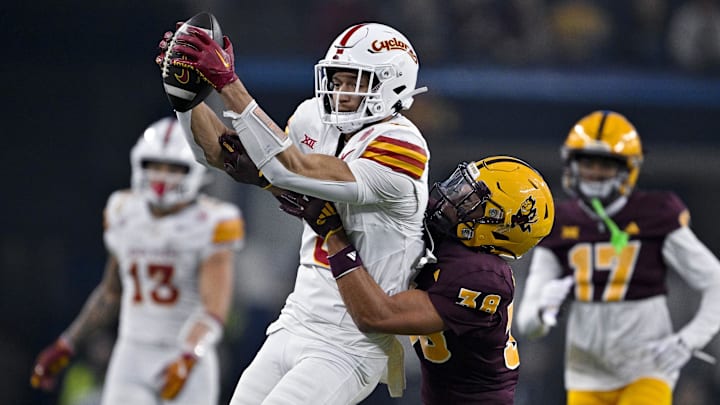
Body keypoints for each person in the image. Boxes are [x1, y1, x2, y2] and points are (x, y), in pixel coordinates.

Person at [159, 21, 430, 404]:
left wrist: (228, 84)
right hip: (296, 318)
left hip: (349, 342)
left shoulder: (403, 146)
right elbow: (223, 156)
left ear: (393, 85)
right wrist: (185, 99)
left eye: (355, 81)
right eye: (336, 80)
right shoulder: (314, 118)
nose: (339, 91)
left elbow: (289, 168)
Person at [278, 155, 556, 404]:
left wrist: (334, 235)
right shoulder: (450, 229)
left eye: (473, 199)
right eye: (463, 186)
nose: (456, 196)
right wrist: (272, 176)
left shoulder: (482, 277)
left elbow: (376, 316)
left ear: (501, 227)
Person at [30, 117, 244, 405]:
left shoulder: (213, 221)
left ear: (192, 171)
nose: (162, 176)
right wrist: (67, 342)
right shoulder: (124, 211)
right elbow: (111, 292)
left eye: (173, 168)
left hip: (184, 356)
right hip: (132, 354)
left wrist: (188, 356)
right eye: (155, 166)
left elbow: (214, 310)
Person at [515, 110, 720, 405]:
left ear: (628, 168)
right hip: (585, 372)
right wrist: (543, 310)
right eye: (588, 162)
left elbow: (714, 281)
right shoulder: (560, 221)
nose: (595, 172)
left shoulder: (656, 213)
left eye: (605, 164)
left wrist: (690, 340)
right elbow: (528, 324)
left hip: (646, 369)